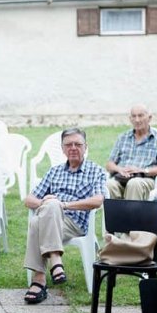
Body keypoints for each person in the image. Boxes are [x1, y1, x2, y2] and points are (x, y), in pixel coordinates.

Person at [23, 128, 106, 304]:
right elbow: (29, 199)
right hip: (50, 217)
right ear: (62, 149)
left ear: (85, 147)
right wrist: (44, 203)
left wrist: (64, 205)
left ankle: (39, 280)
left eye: (78, 144)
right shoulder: (55, 171)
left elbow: (98, 200)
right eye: (68, 144)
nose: (73, 148)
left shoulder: (95, 170)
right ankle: (55, 260)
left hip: (74, 222)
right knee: (47, 210)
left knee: (37, 222)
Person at [105, 104, 157, 200]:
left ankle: (132, 215)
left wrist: (143, 171)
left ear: (149, 118)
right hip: (122, 178)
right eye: (134, 116)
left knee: (134, 184)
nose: (137, 120)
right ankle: (114, 215)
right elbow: (109, 164)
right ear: (130, 119)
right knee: (109, 184)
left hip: (144, 179)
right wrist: (120, 169)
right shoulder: (123, 138)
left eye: (140, 116)